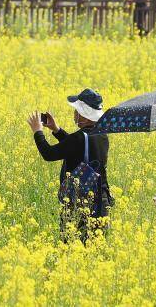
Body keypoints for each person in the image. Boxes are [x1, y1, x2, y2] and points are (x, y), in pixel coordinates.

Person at [27, 88, 112, 242]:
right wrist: (56, 130)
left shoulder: (79, 138)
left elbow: (49, 154)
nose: (74, 115)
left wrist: (37, 131)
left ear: (85, 117)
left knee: (73, 246)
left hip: (78, 203)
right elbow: (77, 148)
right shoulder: (102, 135)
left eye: (77, 112)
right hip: (100, 202)